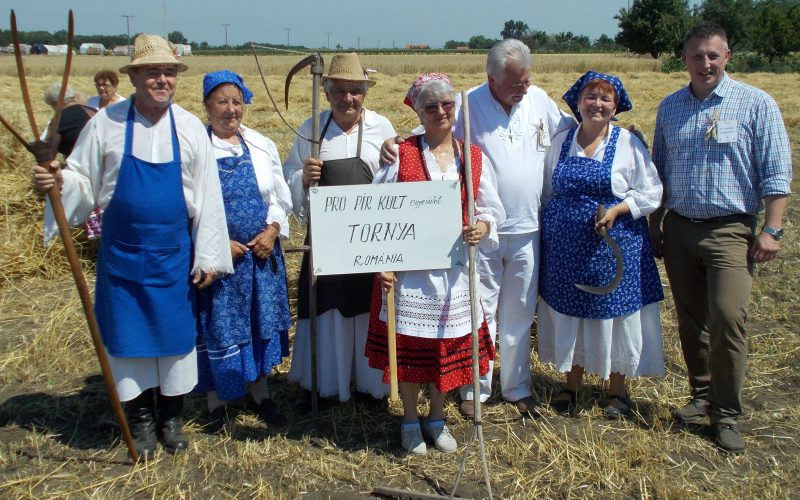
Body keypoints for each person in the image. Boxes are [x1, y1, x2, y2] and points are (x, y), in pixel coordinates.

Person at [32, 34, 233, 459]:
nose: (161, 79)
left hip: (174, 257)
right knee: (127, 339)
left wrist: (209, 255)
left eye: (168, 72)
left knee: (176, 341)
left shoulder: (190, 127)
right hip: (123, 257)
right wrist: (58, 182)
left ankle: (171, 418)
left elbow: (208, 195)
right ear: (135, 76)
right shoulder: (105, 123)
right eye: (152, 72)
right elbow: (83, 180)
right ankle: (140, 421)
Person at [382, 39, 575, 417]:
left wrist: (617, 130)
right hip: (478, 231)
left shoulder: (539, 101)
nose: (524, 87)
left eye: (526, 79)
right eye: (516, 82)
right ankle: (475, 389)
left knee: (519, 311)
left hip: (527, 226)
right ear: (491, 79)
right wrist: (392, 142)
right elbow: (432, 124)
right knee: (480, 308)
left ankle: (517, 387)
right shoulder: (467, 103)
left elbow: (573, 131)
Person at [649, 22, 792, 453]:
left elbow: (777, 171)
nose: (705, 63)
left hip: (731, 229)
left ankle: (726, 413)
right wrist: (656, 225)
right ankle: (700, 396)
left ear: (727, 56)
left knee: (728, 317)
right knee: (691, 321)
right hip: (679, 227)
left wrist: (772, 229)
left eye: (713, 55)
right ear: (684, 60)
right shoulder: (670, 108)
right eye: (697, 56)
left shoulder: (755, 104)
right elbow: (658, 174)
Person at [366, 73, 503, 454]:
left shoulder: (472, 157)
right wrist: (384, 262)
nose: (441, 112)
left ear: (455, 109)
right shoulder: (402, 153)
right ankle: (410, 420)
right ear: (418, 112)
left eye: (447, 104)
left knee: (444, 348)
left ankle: (438, 418)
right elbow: (376, 210)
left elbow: (492, 208)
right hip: (409, 274)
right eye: (431, 106)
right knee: (411, 348)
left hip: (453, 272)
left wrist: (482, 225)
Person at [538, 71, 665, 419]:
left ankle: (617, 391)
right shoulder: (561, 141)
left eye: (605, 98)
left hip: (614, 248)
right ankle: (571, 383)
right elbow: (547, 191)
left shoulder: (627, 143)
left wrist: (620, 209)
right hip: (565, 249)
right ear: (577, 103)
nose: (597, 104)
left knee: (616, 316)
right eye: (590, 97)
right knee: (571, 313)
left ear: (616, 106)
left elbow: (652, 191)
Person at [283, 53, 397, 408]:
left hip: (368, 241)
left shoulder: (382, 128)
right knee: (327, 309)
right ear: (327, 91)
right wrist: (303, 177)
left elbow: (397, 182)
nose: (349, 98)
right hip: (326, 243)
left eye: (356, 91)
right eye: (341, 91)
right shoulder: (311, 130)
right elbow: (286, 180)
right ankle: (328, 385)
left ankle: (368, 386)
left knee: (365, 308)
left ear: (365, 92)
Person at [194, 70, 292, 432]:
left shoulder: (261, 144)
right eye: (221, 101)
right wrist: (216, 244)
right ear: (206, 106)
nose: (230, 109)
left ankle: (261, 394)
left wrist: (273, 229)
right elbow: (188, 206)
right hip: (220, 261)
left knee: (257, 322)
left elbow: (281, 196)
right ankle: (216, 402)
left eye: (236, 101)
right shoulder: (197, 148)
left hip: (261, 256)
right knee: (220, 326)